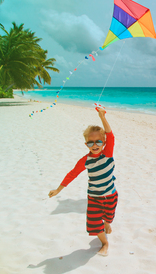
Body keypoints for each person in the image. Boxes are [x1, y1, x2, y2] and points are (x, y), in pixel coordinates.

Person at [49, 107, 118, 256]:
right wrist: (58, 190)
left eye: (98, 141)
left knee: (109, 216)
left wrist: (102, 117)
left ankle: (107, 223)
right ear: (85, 143)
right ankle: (104, 243)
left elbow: (111, 135)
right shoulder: (85, 161)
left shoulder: (107, 153)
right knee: (93, 222)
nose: (94, 145)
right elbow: (72, 174)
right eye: (90, 142)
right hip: (93, 197)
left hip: (110, 194)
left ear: (104, 142)